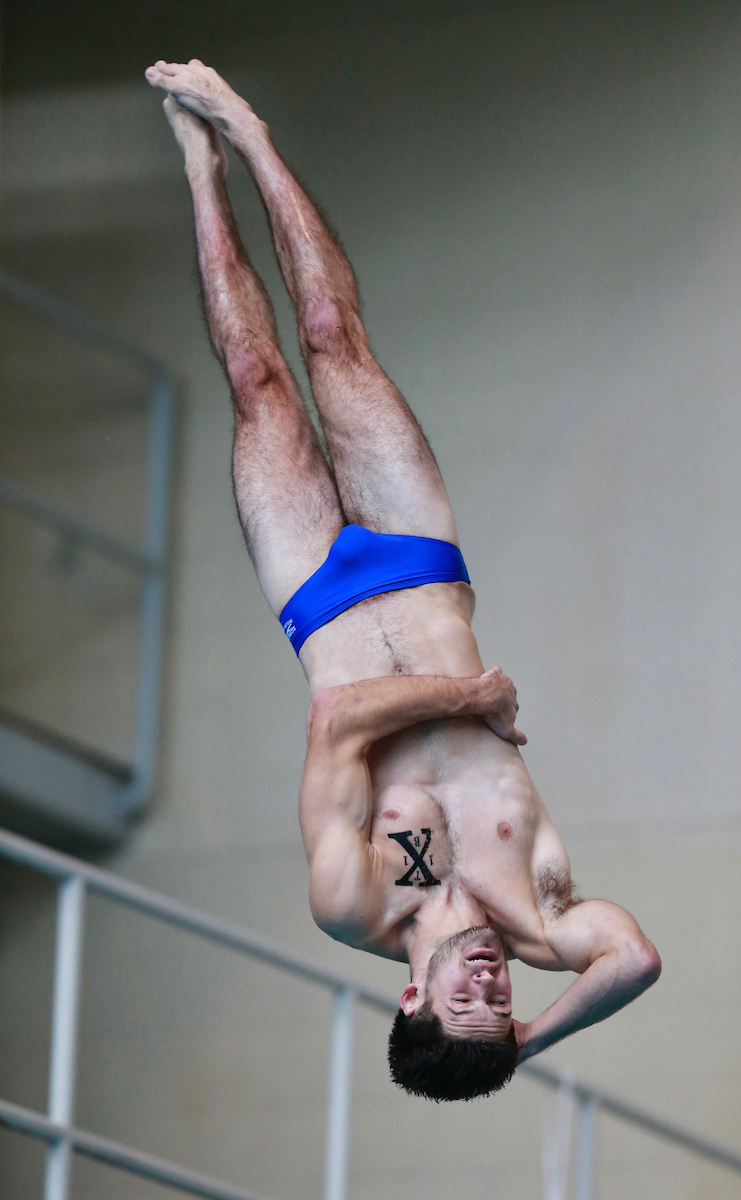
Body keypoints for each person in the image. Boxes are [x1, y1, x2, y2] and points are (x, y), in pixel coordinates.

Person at [145, 60, 661, 1102]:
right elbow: (636, 961)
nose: (486, 985)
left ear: (411, 1001)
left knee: (257, 383)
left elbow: (335, 723)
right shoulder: (541, 913)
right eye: (500, 1007)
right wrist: (528, 1047)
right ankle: (248, 131)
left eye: (466, 1003)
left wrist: (473, 699)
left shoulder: (355, 904)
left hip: (319, 604)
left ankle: (200, 170)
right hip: (418, 561)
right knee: (334, 339)